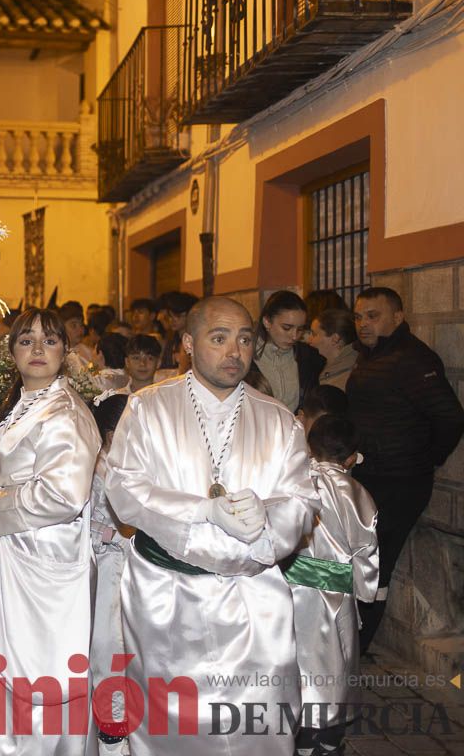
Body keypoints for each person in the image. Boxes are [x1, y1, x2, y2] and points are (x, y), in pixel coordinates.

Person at [105, 296, 320, 756]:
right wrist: (202, 511)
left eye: (244, 339)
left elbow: (302, 499)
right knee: (171, 722)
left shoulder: (278, 419)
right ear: (187, 343)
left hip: (252, 597)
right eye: (218, 338)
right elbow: (124, 490)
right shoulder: (148, 408)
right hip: (169, 595)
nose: (234, 352)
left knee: (258, 720)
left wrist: (266, 520)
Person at [0, 308, 100, 755]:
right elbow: (30, 461)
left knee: (36, 674)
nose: (37, 350)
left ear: (66, 351)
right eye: (26, 340)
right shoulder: (30, 400)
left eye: (50, 340)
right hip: (18, 554)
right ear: (11, 351)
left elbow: (63, 496)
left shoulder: (66, 413)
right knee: (7, 665)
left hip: (45, 561)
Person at [346, 286, 464, 652]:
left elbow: (450, 416)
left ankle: (359, 644)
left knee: (378, 560)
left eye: (373, 315)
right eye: (358, 316)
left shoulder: (412, 358)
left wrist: (426, 458)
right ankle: (350, 638)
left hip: (399, 481)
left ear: (398, 317)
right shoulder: (375, 354)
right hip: (372, 476)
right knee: (364, 556)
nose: (363, 323)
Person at [290, 414, 379, 756]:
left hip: (292, 586)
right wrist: (365, 590)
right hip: (334, 593)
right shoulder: (357, 493)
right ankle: (323, 735)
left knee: (296, 656)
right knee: (333, 662)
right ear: (352, 456)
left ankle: (291, 724)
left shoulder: (297, 480)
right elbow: (365, 548)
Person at [86, 392, 133, 752]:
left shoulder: (145, 464)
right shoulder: (90, 468)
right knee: (108, 647)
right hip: (108, 568)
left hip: (143, 569)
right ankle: (110, 739)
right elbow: (79, 520)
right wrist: (111, 535)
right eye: (118, 430)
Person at [251, 290, 324, 413]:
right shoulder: (245, 356)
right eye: (287, 328)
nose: (295, 336)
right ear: (267, 322)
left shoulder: (308, 357)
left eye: (300, 329)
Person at [307, 308, 358, 390]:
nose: (309, 340)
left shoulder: (352, 377)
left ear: (335, 339)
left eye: (314, 334)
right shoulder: (318, 367)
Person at [156, 290, 198, 370]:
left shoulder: (195, 341)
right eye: (170, 316)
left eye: (178, 316)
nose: (173, 320)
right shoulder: (172, 340)